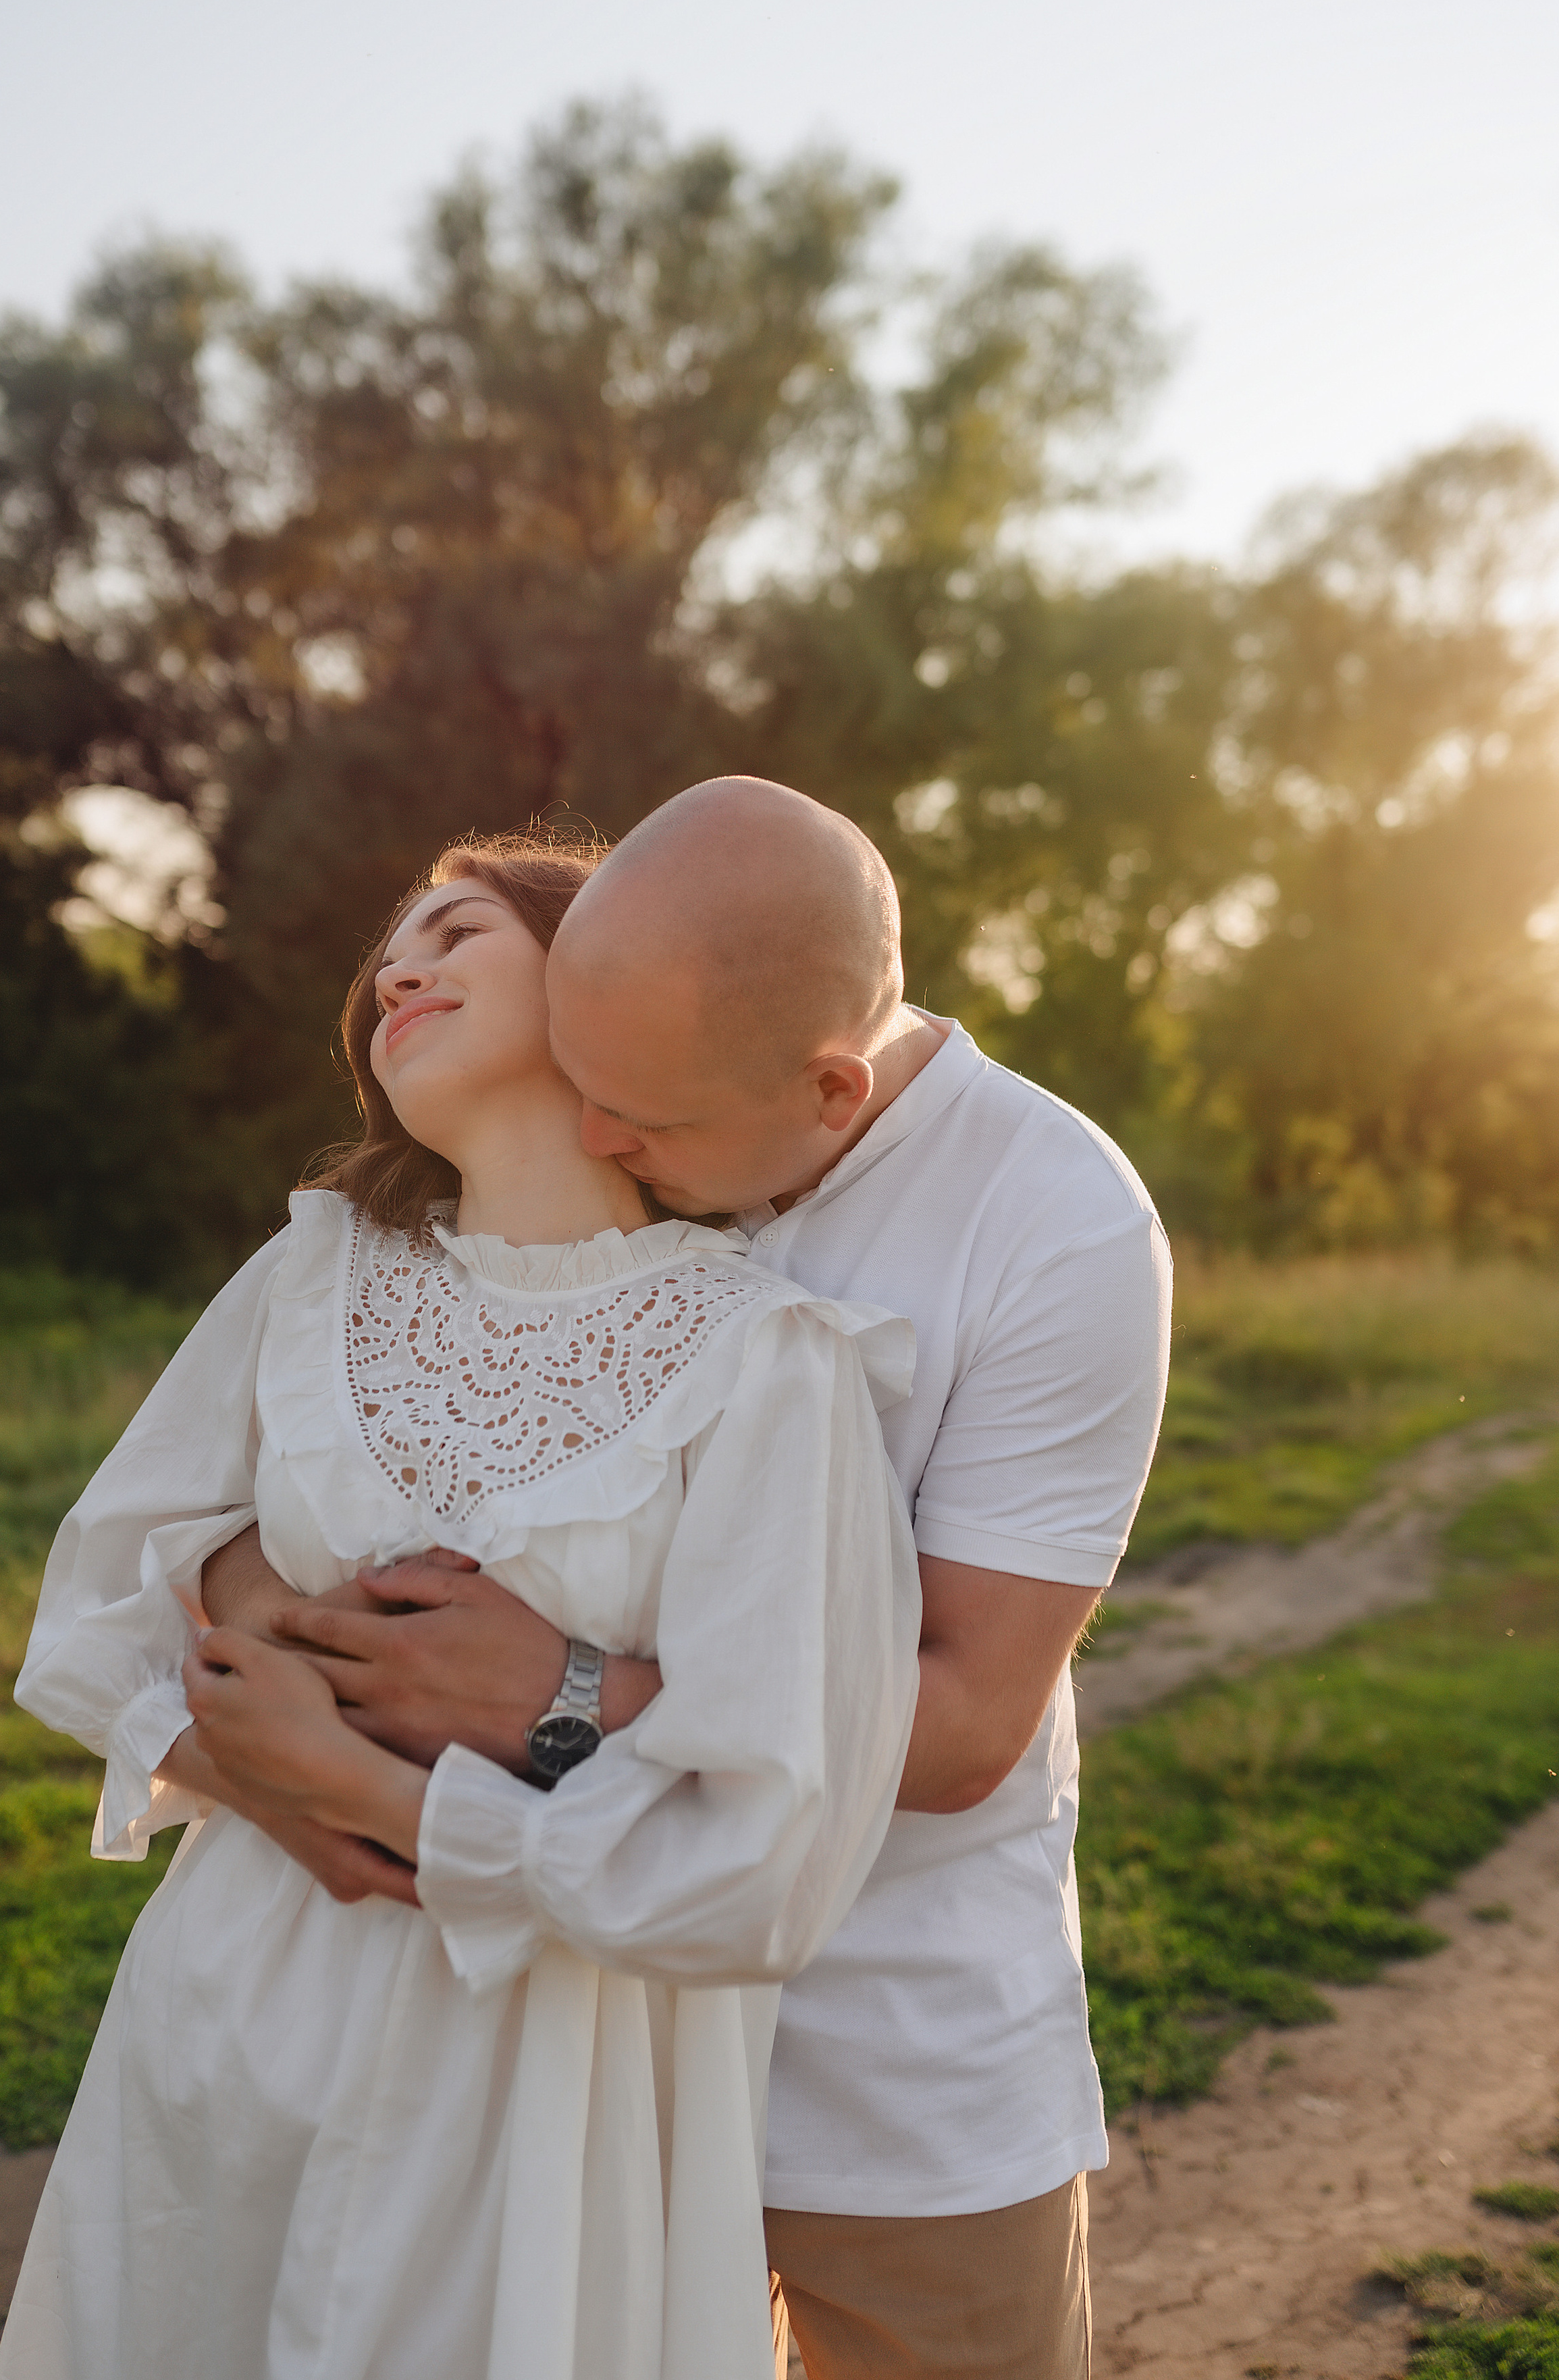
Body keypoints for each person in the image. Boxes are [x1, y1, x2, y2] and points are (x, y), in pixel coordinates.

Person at [205, 779, 1171, 2380]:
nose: (593, 1139)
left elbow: (961, 1724)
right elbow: (325, 1474)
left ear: (829, 1086)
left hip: (881, 2060)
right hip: (557, 2049)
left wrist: (555, 1694)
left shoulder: (1054, 1229)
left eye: (636, 1119)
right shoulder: (633, 1085)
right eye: (580, 1082)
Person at [0, 832, 923, 2380]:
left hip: (543, 2078)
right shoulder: (313, 1274)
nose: (397, 968)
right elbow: (97, 1596)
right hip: (228, 2016)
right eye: (389, 952)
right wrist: (262, 1773)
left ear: (604, 978)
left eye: (458, 927)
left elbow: (767, 1851)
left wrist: (377, 1794)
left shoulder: (771, 1359)